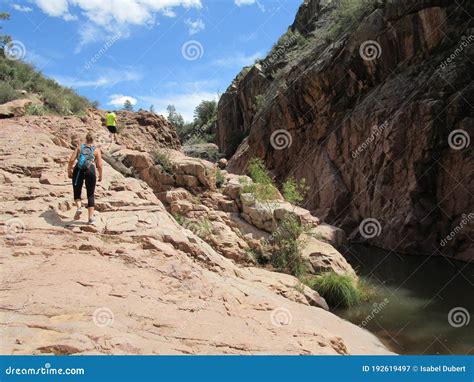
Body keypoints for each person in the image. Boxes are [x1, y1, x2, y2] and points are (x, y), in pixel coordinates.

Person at [67, 132, 103, 225]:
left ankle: (79, 208)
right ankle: (90, 218)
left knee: (77, 191)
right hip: (90, 169)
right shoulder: (96, 150)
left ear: (86, 139)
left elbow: (71, 160)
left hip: (78, 170)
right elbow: (99, 165)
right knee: (90, 194)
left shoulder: (79, 147)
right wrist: (100, 175)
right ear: (93, 140)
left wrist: (69, 171)